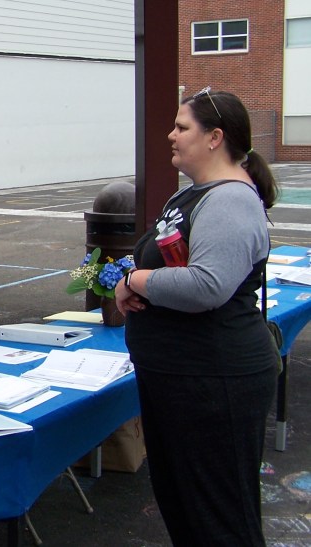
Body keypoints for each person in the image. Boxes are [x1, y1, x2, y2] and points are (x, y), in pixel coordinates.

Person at [115, 89, 279, 546]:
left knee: (219, 520)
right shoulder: (196, 195)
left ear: (215, 138)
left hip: (213, 381)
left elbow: (207, 286)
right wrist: (133, 279)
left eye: (182, 127)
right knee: (188, 511)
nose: (171, 135)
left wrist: (135, 281)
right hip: (181, 378)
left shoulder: (229, 201)